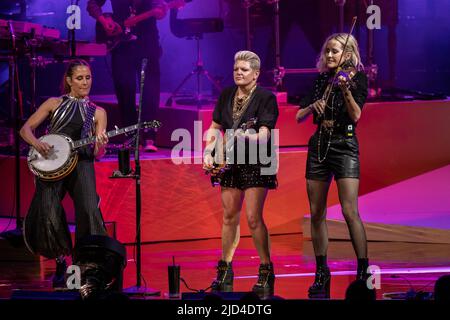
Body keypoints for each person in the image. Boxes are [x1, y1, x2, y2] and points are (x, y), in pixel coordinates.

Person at [19, 59, 109, 288]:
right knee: (48, 210)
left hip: (82, 163)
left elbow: (98, 154)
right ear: (69, 80)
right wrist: (37, 144)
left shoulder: (97, 113)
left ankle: (86, 266)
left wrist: (101, 144)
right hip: (53, 163)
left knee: (89, 210)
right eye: (79, 78)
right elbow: (25, 130)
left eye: (88, 77)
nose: (85, 82)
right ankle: (61, 262)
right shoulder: (53, 103)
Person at [295, 33, 369, 299]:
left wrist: (345, 88)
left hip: (345, 145)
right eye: (326, 51)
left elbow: (356, 115)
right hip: (318, 146)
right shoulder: (320, 81)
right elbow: (298, 116)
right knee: (316, 213)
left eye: (334, 51)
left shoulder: (357, 79)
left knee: (350, 211)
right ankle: (321, 272)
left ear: (347, 54)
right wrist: (311, 107)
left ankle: (363, 271)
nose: (328, 56)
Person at [203, 51, 279, 297]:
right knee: (229, 216)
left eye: (244, 69)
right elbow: (215, 127)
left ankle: (266, 268)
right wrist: (208, 150)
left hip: (257, 161)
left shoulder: (266, 97)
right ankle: (225, 269)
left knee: (253, 218)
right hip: (231, 162)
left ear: (256, 74)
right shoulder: (226, 95)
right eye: (236, 68)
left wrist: (244, 137)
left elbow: (266, 134)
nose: (238, 72)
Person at [87, 0, 167, 152]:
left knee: (150, 89)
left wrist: (160, 11)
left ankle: (149, 136)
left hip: (147, 42)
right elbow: (92, 5)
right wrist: (105, 21)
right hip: (121, 44)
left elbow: (160, 9)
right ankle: (130, 135)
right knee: (124, 89)